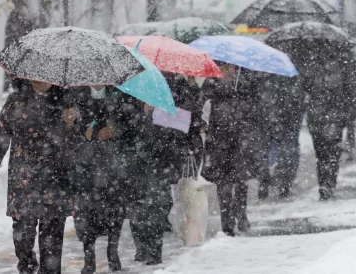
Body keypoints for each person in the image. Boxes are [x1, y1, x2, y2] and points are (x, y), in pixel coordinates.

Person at [0, 79, 70, 274]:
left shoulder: (65, 101)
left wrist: (72, 123)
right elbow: (0, 135)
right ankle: (27, 266)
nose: (41, 81)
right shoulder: (16, 101)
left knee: (52, 239)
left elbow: (80, 140)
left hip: (55, 179)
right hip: (23, 179)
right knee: (22, 237)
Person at [65, 86, 130, 274]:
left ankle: (112, 250)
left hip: (113, 165)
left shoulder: (118, 95)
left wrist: (114, 130)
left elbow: (130, 125)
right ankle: (89, 256)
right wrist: (81, 132)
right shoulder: (76, 96)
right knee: (86, 213)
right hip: (85, 166)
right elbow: (68, 126)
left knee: (115, 211)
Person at [201, 63, 260, 235]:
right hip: (219, 140)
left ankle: (241, 214)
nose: (228, 71)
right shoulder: (211, 84)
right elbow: (202, 107)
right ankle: (226, 222)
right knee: (224, 183)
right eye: (224, 67)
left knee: (241, 180)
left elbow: (254, 108)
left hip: (240, 139)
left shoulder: (244, 82)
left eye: (231, 67)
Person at [129, 95, 188, 265]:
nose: (149, 105)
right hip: (137, 175)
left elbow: (174, 144)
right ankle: (142, 248)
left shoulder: (165, 119)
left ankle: (154, 252)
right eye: (147, 101)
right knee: (138, 213)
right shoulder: (134, 117)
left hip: (158, 173)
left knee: (155, 213)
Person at [303, 44, 354, 201]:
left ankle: (324, 184)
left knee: (322, 153)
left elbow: (304, 89)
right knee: (333, 151)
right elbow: (350, 90)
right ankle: (329, 183)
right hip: (334, 116)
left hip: (317, 116)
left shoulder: (311, 67)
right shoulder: (342, 66)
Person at [257, 73, 306, 200]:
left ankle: (270, 182)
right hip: (281, 117)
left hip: (276, 117)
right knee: (286, 150)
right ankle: (282, 183)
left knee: (270, 149)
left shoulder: (263, 77)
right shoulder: (287, 76)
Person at [341, 50, 356, 160]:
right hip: (351, 94)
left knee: (340, 123)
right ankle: (349, 147)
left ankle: (341, 147)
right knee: (351, 124)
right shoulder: (354, 56)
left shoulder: (331, 55)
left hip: (338, 95)